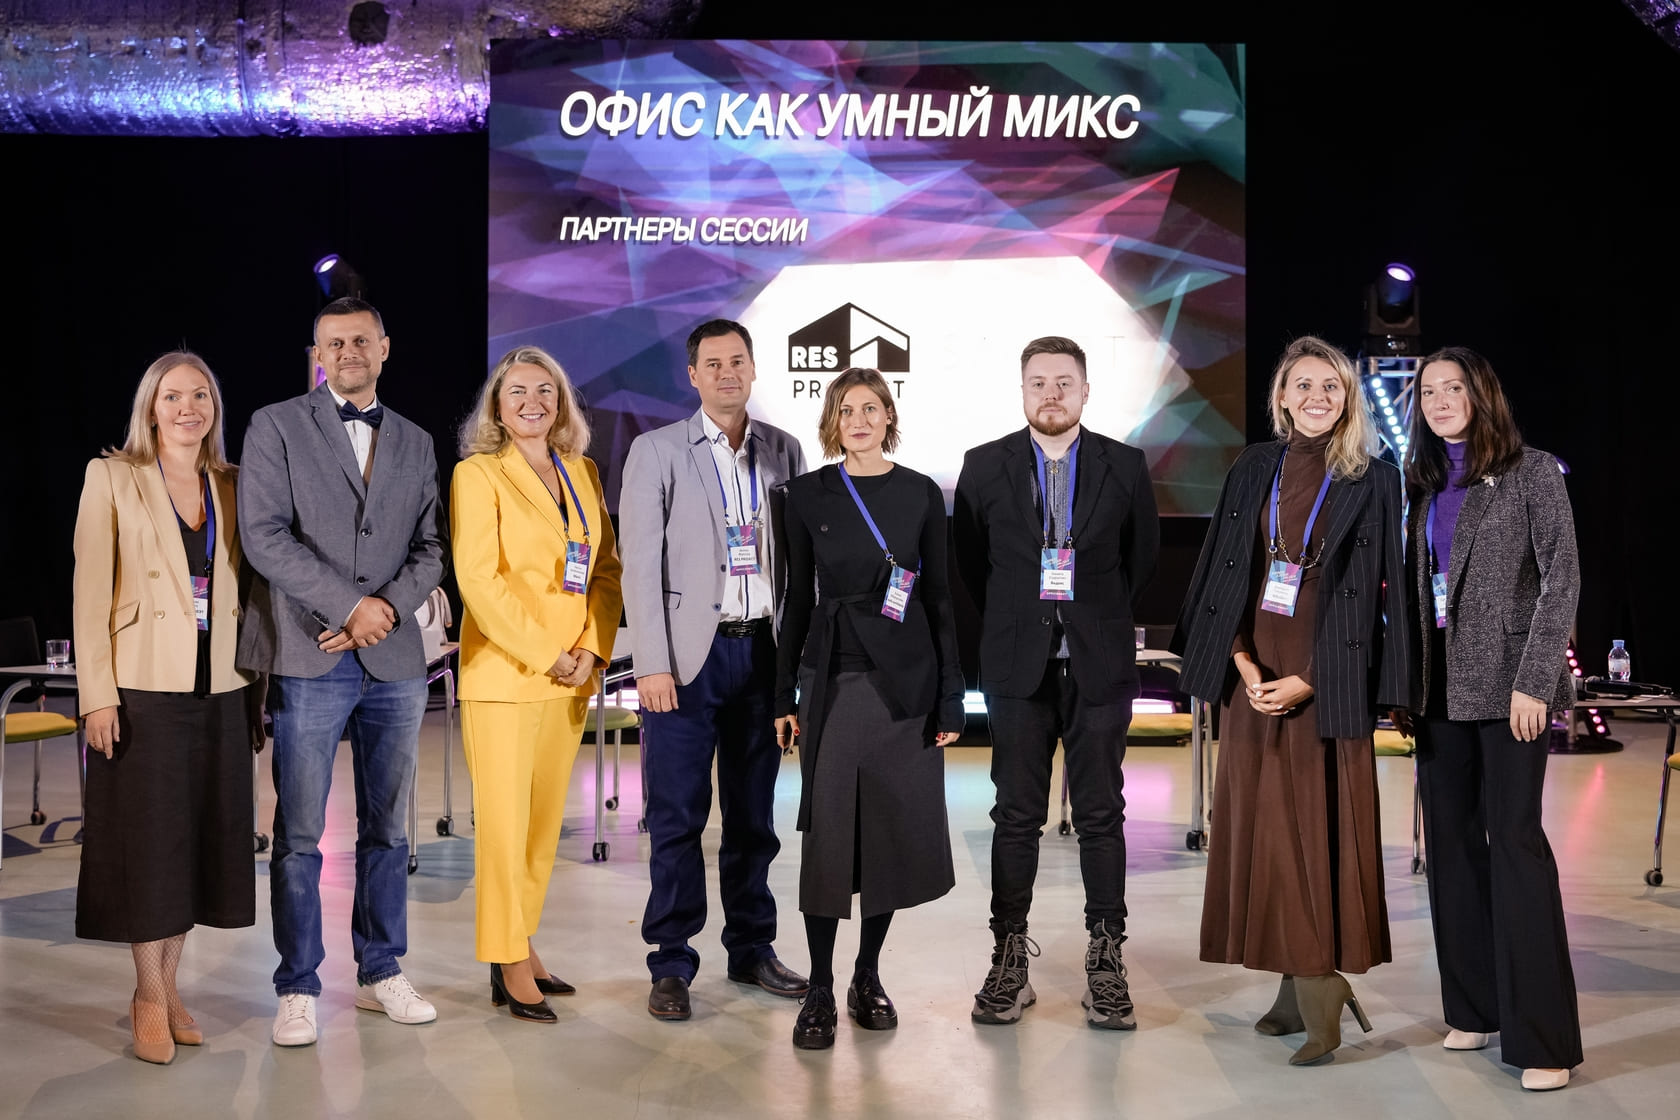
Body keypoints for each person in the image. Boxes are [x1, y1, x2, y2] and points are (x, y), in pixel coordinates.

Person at [1173, 336, 1411, 1066]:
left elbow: (1380, 594)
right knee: (1263, 834)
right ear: (1281, 396)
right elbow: (1226, 572)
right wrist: (1241, 660)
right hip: (1255, 679)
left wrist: (1313, 677)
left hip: (1326, 683)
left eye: (1331, 386)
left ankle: (1320, 985)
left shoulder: (1375, 477)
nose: (1317, 397)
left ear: (1348, 400)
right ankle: (1289, 980)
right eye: (1303, 384)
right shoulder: (1254, 465)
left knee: (1315, 836)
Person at [238, 296, 447, 1046]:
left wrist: (383, 609)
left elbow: (432, 547)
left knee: (388, 830)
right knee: (299, 833)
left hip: (393, 661)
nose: (348, 351)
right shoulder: (275, 425)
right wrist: (350, 606)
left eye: (361, 339)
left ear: (384, 348)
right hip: (310, 652)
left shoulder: (417, 440)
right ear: (318, 354)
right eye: (335, 342)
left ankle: (381, 969)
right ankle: (297, 986)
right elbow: (264, 536)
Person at [953, 335, 1159, 1030]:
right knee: (1016, 815)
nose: (1051, 394)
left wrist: (1087, 616)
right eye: (1038, 382)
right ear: (1022, 391)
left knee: (1101, 814)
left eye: (1064, 382)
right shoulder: (983, 465)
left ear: (1085, 390)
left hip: (1098, 662)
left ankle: (1106, 958)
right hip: (1018, 667)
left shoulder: (1124, 464)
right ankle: (1009, 957)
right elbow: (973, 566)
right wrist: (1025, 620)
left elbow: (1140, 561)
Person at [1394, 346, 1581, 1091]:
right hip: (1438, 693)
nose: (1440, 401)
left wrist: (1536, 681)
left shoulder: (1533, 472)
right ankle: (1473, 1007)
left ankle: (1544, 1040)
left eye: (1454, 388)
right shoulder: (1421, 483)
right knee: (1451, 849)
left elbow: (1562, 577)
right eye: (1428, 392)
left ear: (1482, 394)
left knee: (1515, 845)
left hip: (1511, 692)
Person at [72, 351, 263, 1064]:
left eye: (201, 395)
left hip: (221, 686)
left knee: (199, 846)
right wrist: (97, 695)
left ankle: (168, 985)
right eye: (173, 396)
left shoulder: (233, 482)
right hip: (142, 688)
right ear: (150, 407)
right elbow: (89, 593)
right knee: (150, 849)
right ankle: (149, 996)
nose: (189, 408)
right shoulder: (112, 476)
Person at [619, 318, 810, 1020]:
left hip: (761, 656)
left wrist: (794, 672)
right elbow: (640, 564)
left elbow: (799, 566)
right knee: (676, 818)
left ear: (754, 369)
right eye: (714, 363)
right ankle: (671, 962)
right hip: (684, 663)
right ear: (692, 375)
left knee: (754, 819)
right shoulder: (657, 450)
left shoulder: (784, 450)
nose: (728, 373)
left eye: (738, 361)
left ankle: (752, 948)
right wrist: (651, 664)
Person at [772, 368, 963, 1050]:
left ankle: (866, 975)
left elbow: (939, 597)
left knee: (889, 837)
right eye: (846, 409)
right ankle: (820, 987)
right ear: (833, 420)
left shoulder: (920, 493)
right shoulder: (804, 494)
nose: (858, 420)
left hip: (906, 688)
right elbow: (796, 599)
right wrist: (783, 694)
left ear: (888, 417)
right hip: (833, 682)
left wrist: (950, 696)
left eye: (871, 408)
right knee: (828, 840)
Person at [450, 345, 622, 1022]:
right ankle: (506, 959)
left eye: (545, 391)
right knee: (503, 827)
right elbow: (478, 579)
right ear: (497, 406)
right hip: (505, 675)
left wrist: (590, 648)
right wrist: (547, 652)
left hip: (571, 676)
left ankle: (520, 940)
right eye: (517, 391)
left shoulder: (582, 471)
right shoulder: (476, 475)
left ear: (561, 404)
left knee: (543, 829)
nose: (532, 403)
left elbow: (604, 571)